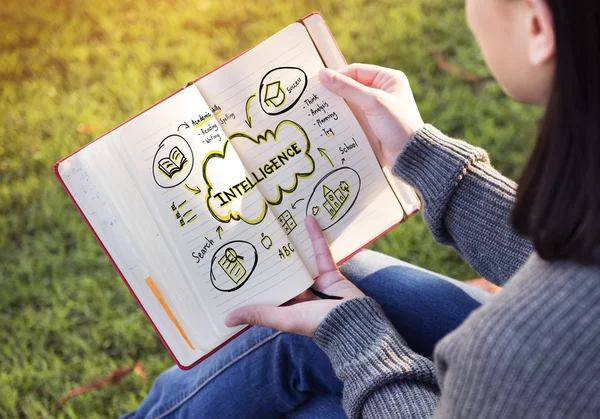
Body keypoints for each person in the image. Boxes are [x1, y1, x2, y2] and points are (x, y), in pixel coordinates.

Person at [125, 0, 600, 417]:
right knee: (339, 286)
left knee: (302, 349)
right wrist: (426, 158)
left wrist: (359, 340)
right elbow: (576, 256)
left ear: (537, 27)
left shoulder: (519, 347)